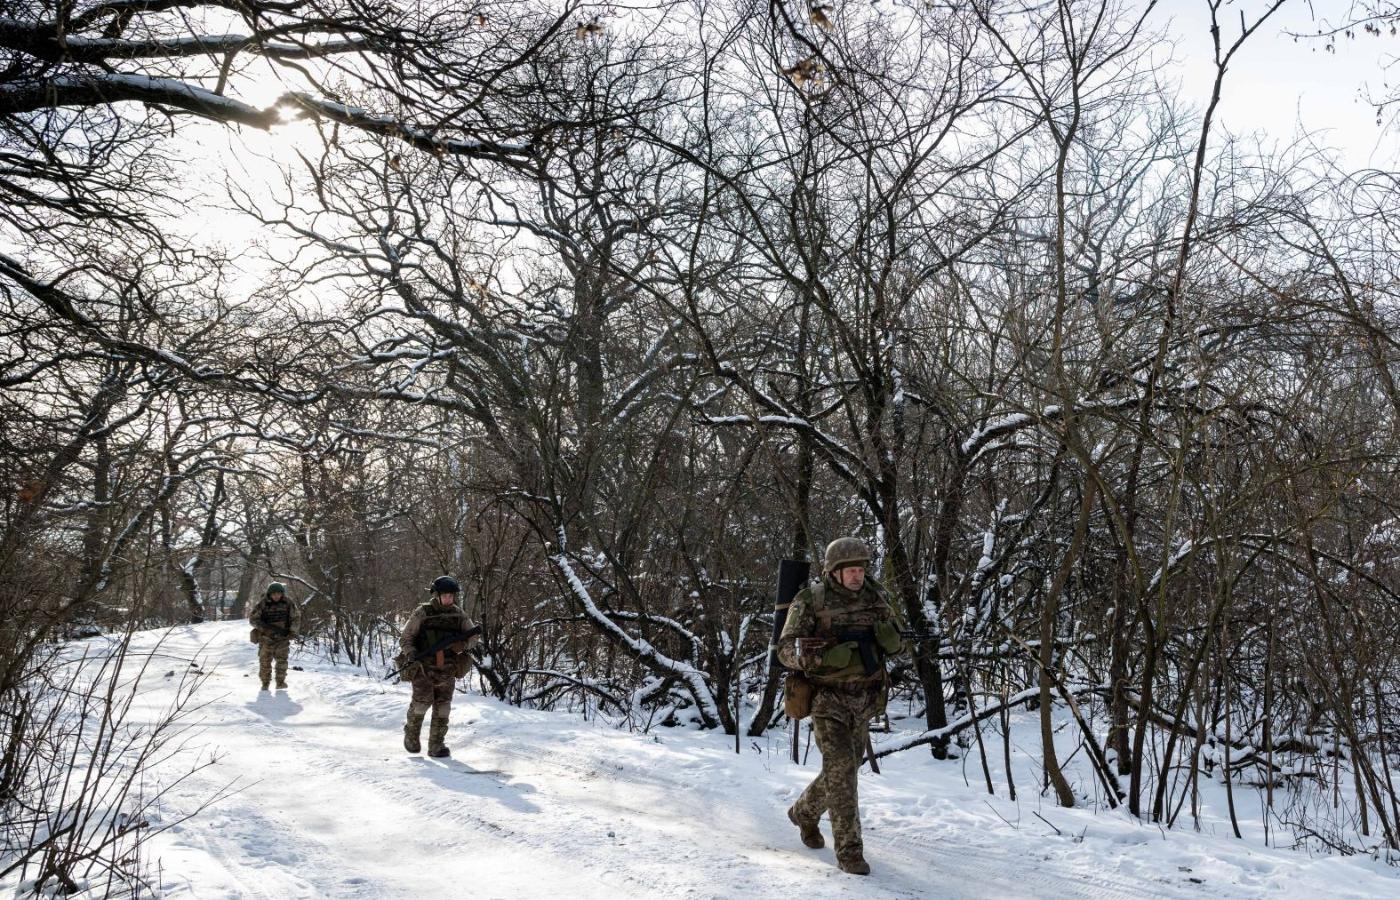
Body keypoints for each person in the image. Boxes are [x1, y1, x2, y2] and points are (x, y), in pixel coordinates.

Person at [777, 537, 907, 876]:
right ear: (834, 572)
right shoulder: (812, 600)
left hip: (864, 700)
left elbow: (897, 642)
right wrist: (821, 657)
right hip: (826, 699)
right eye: (851, 570)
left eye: (861, 569)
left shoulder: (877, 598)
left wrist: (893, 642)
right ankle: (850, 852)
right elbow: (785, 650)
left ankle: (804, 812)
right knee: (843, 773)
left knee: (842, 771)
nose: (857, 576)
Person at [397, 575, 481, 758]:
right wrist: (411, 654)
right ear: (436, 595)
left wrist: (463, 645)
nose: (448, 599)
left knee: (443, 708)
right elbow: (406, 638)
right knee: (422, 703)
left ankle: (436, 745)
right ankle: (411, 734)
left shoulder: (458, 615)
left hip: (448, 669)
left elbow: (473, 636)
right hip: (423, 668)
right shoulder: (423, 612)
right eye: (445, 595)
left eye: (451, 596)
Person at [249, 581, 302, 690]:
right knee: (265, 662)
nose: (276, 596)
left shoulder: (288, 603)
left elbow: (296, 618)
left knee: (282, 661)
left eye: (278, 593)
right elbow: (253, 619)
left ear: (282, 593)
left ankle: (280, 683)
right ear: (270, 594)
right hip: (266, 638)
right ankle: (265, 683)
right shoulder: (263, 604)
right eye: (274, 594)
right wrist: (264, 629)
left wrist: (293, 631)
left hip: (283, 637)